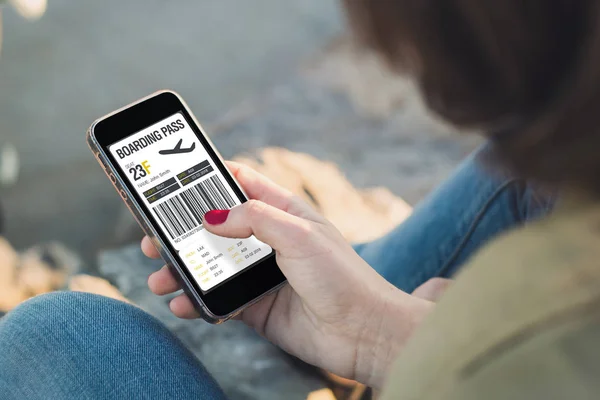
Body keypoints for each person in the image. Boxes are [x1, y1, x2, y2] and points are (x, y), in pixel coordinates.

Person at [1, 1, 598, 399]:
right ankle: (354, 288)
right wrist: (382, 335)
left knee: (56, 331)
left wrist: (438, 354)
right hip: (408, 338)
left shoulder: (510, 360)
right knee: (519, 168)